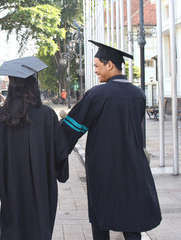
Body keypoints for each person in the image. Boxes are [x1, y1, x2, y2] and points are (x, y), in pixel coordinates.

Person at [61, 40, 162, 240]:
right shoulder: (138, 95)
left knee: (101, 217)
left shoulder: (97, 95)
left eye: (97, 66)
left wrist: (52, 143)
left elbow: (73, 128)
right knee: (132, 217)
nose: (96, 71)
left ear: (110, 65)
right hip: (133, 165)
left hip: (103, 168)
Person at [0, 56, 69, 240]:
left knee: (13, 229)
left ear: (10, 87)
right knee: (40, 228)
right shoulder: (47, 116)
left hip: (11, 187)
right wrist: (60, 173)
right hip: (42, 188)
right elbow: (60, 153)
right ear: (34, 85)